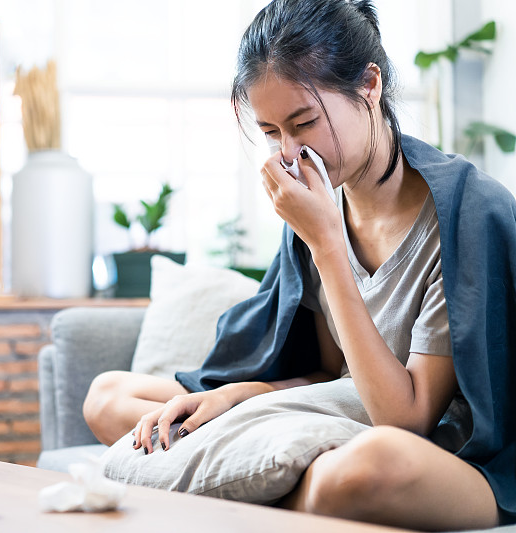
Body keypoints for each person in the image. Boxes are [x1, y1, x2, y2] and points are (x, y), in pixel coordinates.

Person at [82, 0, 516, 530]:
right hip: (344, 412)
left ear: (370, 86)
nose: (289, 153)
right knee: (110, 397)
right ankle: (267, 477)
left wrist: (326, 246)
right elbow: (329, 374)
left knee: (361, 470)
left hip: (442, 450)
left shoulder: (464, 212)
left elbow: (408, 420)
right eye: (270, 132)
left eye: (304, 122)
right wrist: (241, 395)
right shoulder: (320, 204)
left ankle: (237, 479)